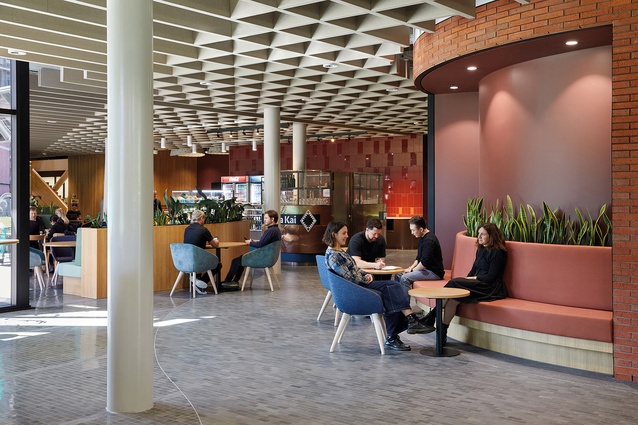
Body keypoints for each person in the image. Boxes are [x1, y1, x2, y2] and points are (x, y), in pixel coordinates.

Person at [323, 221, 434, 352]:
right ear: (333, 234)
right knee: (392, 288)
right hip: (354, 292)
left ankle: (403, 327)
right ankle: (406, 324)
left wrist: (366, 273)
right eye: (344, 233)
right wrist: (365, 277)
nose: (347, 235)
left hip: (359, 286)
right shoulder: (334, 256)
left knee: (393, 287)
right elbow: (350, 277)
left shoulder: (339, 251)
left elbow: (354, 269)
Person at [424, 222, 508, 345]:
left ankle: (431, 317)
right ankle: (442, 333)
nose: (479, 237)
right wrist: (466, 281)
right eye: (478, 234)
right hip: (478, 284)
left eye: (483, 234)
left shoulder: (498, 252)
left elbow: (491, 277)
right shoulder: (481, 249)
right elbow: (473, 270)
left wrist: (472, 279)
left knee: (453, 282)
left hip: (490, 287)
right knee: (452, 300)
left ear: (492, 236)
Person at [223, 209, 281, 284]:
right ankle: (235, 281)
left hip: (263, 258)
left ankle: (227, 281)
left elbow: (260, 245)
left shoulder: (270, 231)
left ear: (272, 219)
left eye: (266, 218)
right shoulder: (276, 230)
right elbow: (263, 243)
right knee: (240, 259)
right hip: (268, 258)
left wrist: (250, 243)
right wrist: (254, 242)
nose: (264, 220)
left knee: (236, 261)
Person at [395, 216, 445, 296]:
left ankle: (405, 307)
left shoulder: (429, 241)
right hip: (425, 270)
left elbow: (424, 263)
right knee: (398, 275)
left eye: (413, 230)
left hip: (434, 272)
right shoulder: (422, 238)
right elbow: (418, 259)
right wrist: (410, 268)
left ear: (421, 229)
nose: (412, 233)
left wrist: (412, 271)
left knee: (404, 278)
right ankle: (398, 303)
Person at [184, 209, 222, 294]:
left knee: (199, 257)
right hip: (198, 260)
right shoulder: (203, 230)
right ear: (201, 218)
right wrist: (216, 241)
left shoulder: (187, 229)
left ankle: (196, 280)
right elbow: (215, 245)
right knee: (218, 264)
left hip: (186, 261)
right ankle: (200, 282)